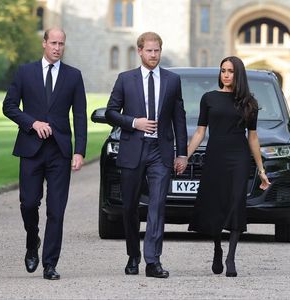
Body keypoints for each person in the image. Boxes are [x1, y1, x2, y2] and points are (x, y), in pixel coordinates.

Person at [2, 28, 87, 280]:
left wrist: (80, 151)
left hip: (59, 151)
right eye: (53, 43)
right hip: (31, 149)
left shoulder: (73, 76)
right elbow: (9, 106)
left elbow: (80, 116)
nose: (57, 48)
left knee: (56, 210)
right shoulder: (25, 72)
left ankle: (50, 263)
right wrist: (32, 123)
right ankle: (32, 240)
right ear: (44, 43)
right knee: (28, 203)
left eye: (61, 44)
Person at [105, 32, 188, 278]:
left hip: (159, 152)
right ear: (139, 51)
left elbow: (179, 119)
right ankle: (133, 255)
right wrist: (133, 122)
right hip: (132, 149)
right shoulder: (125, 79)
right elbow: (111, 112)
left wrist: (181, 154)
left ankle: (153, 261)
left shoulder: (173, 80)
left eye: (157, 51)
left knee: (157, 205)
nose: (153, 55)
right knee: (130, 207)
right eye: (149, 51)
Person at [187, 56, 271, 277]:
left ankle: (231, 257)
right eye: (223, 70)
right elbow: (200, 132)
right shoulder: (209, 98)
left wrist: (261, 170)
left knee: (236, 202)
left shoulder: (249, 103)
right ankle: (217, 248)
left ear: (238, 74)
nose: (225, 74)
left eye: (230, 71)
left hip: (239, 157)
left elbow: (252, 137)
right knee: (216, 203)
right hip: (215, 156)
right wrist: (185, 156)